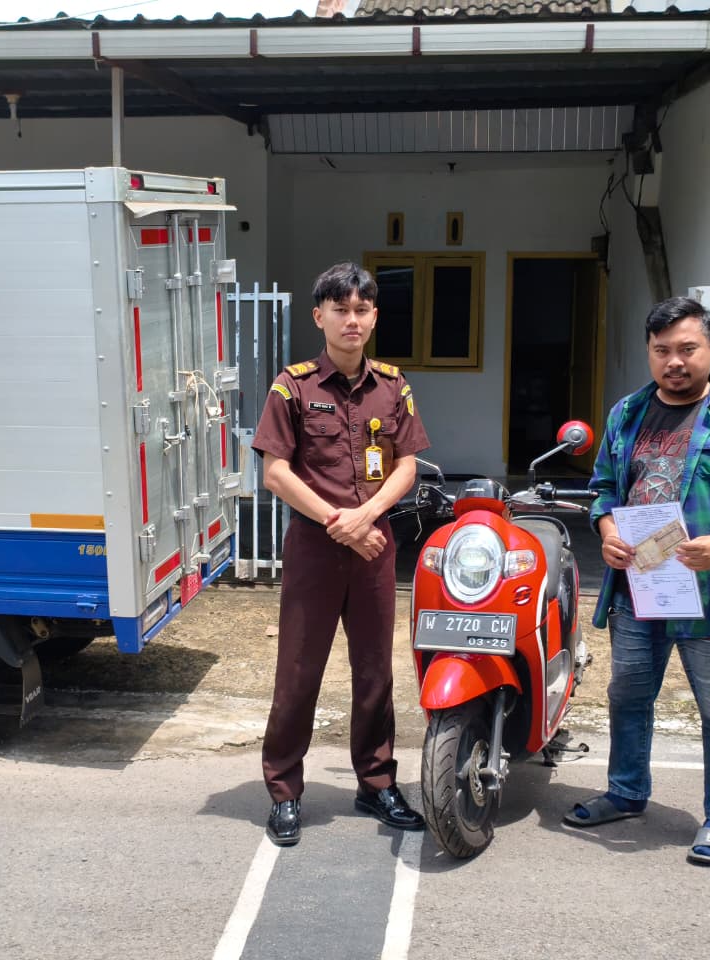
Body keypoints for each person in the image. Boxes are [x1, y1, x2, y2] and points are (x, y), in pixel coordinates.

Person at [563, 296, 710, 866]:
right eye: (662, 350)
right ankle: (626, 792)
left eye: (687, 349)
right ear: (649, 351)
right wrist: (608, 531)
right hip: (640, 589)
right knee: (628, 695)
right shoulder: (626, 414)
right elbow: (604, 488)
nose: (674, 361)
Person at [251, 262, 430, 847]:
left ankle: (376, 783)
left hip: (374, 545)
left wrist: (365, 517)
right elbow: (276, 473)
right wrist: (340, 523)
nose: (351, 320)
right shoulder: (293, 387)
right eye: (340, 309)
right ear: (318, 316)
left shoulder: (393, 386)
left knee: (375, 671)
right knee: (298, 672)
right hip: (315, 548)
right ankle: (284, 791)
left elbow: (406, 465)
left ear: (374, 317)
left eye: (361, 310)